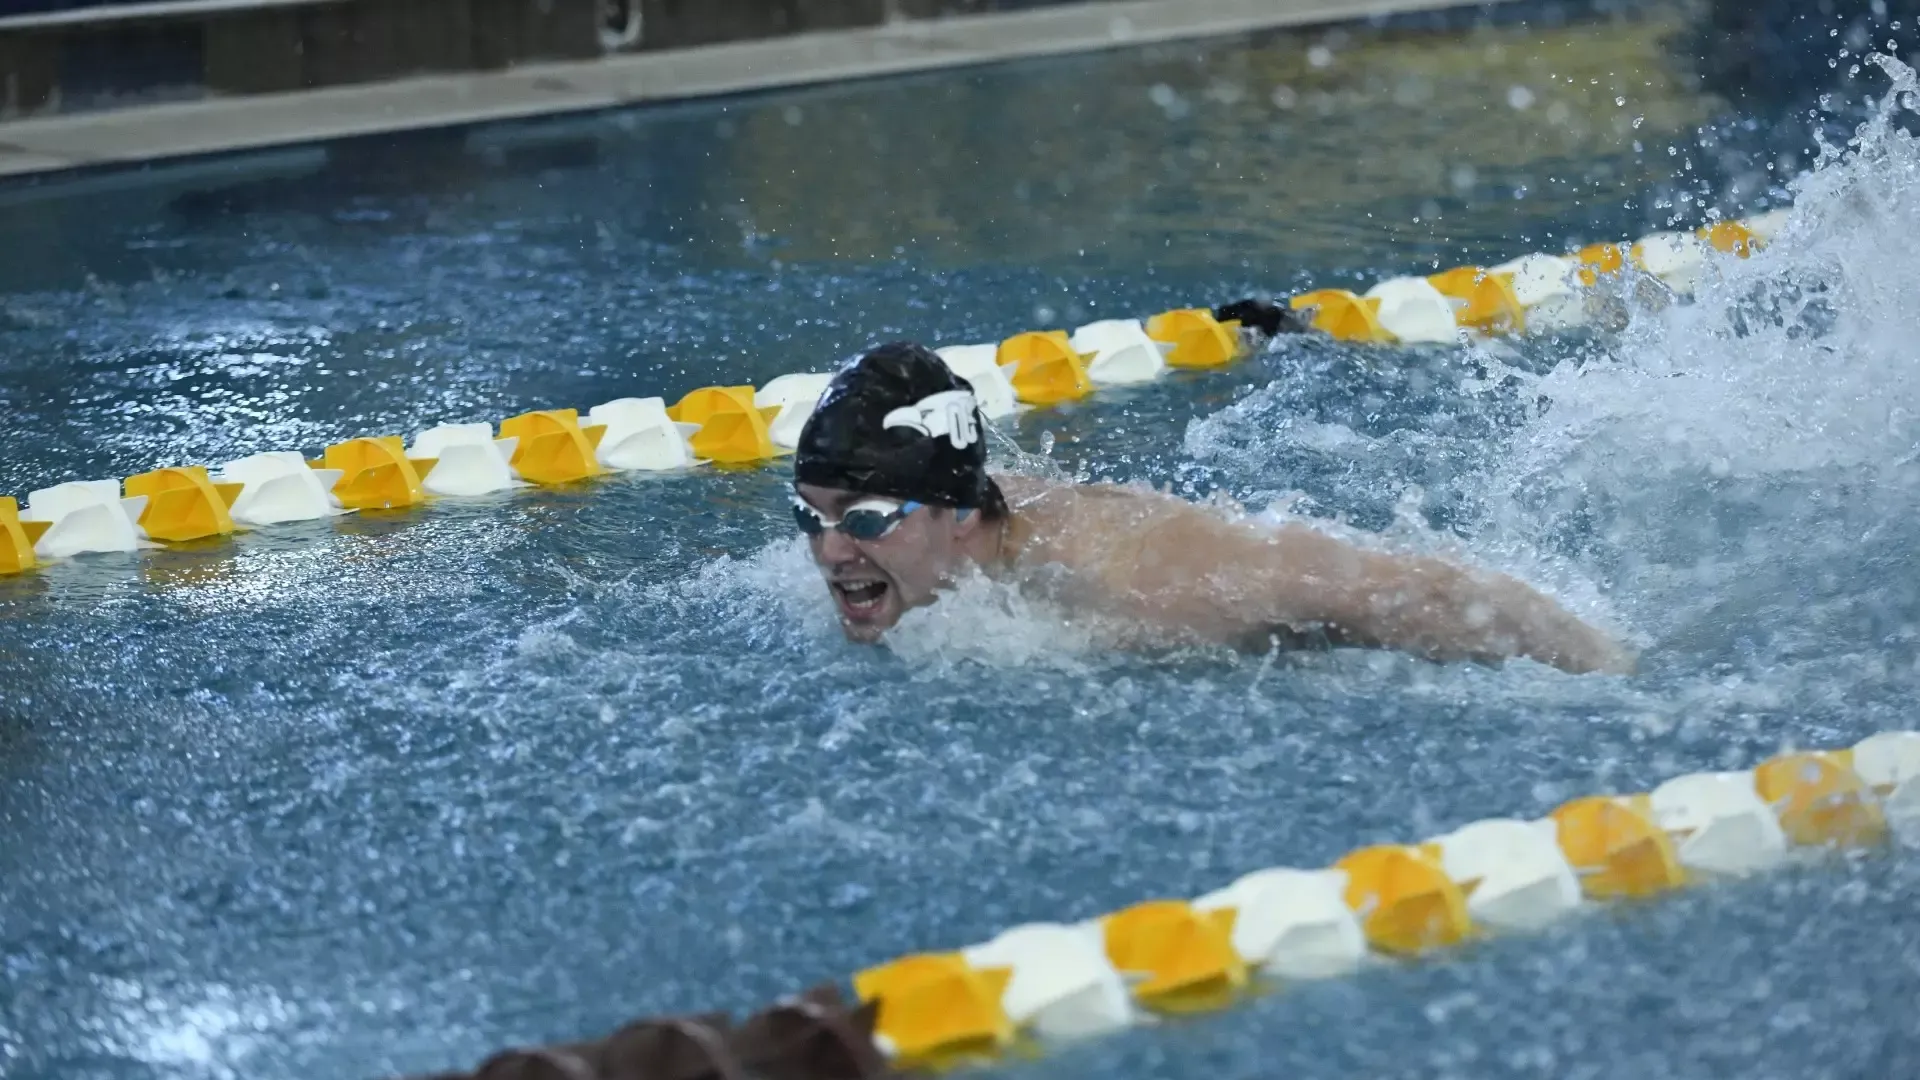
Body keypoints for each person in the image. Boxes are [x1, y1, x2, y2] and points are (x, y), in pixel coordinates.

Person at [788, 337, 1635, 675]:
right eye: (812, 517)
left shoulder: (1138, 588)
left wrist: (1610, 672)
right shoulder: (938, 553)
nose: (830, 555)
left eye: (863, 521)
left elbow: (1413, 590)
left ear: (962, 513)